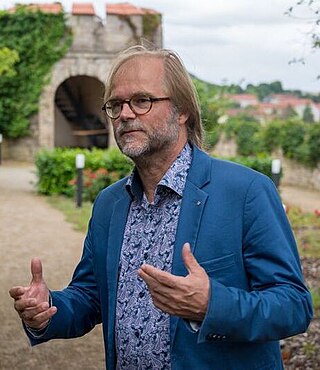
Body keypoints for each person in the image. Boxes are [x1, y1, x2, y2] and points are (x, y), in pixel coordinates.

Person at [10, 45, 313, 370]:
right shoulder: (109, 204)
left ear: (182, 110)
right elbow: (91, 296)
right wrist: (48, 309)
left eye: (142, 100)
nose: (125, 114)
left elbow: (292, 305)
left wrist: (212, 304)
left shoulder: (246, 192)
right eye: (115, 104)